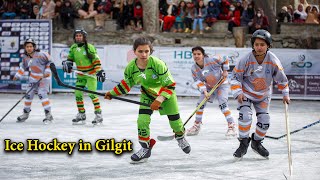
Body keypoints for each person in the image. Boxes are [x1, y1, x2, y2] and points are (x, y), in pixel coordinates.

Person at [104, 37, 191, 163]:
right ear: (134, 52)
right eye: (140, 51)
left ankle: (180, 137)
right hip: (148, 95)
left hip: (166, 96)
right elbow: (126, 84)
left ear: (150, 51)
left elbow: (170, 85)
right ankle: (145, 148)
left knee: (176, 124)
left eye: (146, 51)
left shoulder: (157, 64)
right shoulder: (130, 68)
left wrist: (160, 99)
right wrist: (111, 93)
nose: (144, 54)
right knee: (142, 122)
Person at [230, 29, 290, 160]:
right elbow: (235, 77)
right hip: (246, 94)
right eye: (256, 44)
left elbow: (281, 79)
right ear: (253, 45)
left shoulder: (273, 59)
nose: (259, 47)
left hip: (263, 95)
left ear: (268, 45)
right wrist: (238, 92)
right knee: (245, 116)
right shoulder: (245, 59)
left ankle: (256, 143)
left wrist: (285, 93)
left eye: (262, 45)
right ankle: (243, 143)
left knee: (265, 121)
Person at [186, 46, 236, 137]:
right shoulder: (194, 68)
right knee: (200, 104)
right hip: (209, 87)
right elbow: (198, 81)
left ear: (203, 54)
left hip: (222, 84)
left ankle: (231, 126)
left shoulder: (212, 59)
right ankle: (197, 125)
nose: (196, 56)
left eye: (199, 54)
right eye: (194, 54)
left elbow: (225, 59)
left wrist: (225, 71)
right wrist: (205, 92)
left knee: (223, 104)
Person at [62, 28, 106, 125]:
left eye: (80, 36)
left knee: (92, 94)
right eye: (77, 36)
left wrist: (99, 71)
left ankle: (98, 115)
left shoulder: (90, 47)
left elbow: (96, 61)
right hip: (81, 74)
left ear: (84, 37)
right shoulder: (73, 48)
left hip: (91, 74)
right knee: (78, 94)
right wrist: (67, 64)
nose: (78, 37)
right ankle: (81, 114)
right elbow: (70, 59)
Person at [13, 38, 53, 124]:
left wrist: (47, 71)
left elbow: (49, 62)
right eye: (27, 46)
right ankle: (25, 114)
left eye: (31, 46)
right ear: (25, 47)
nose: (29, 48)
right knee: (28, 95)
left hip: (43, 78)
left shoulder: (41, 54)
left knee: (42, 94)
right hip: (33, 78)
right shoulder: (25, 56)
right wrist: (18, 75)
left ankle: (48, 115)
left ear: (34, 47)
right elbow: (23, 66)